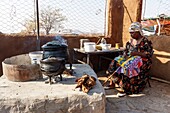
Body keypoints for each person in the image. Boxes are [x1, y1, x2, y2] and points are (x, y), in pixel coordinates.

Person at [106, 22, 153, 96]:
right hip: (130, 59)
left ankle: (127, 88)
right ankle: (113, 83)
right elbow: (126, 52)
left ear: (138, 32)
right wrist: (124, 57)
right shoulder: (130, 42)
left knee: (128, 67)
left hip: (142, 62)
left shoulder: (146, 42)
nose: (131, 35)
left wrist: (136, 54)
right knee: (114, 62)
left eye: (133, 33)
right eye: (130, 33)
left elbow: (148, 54)